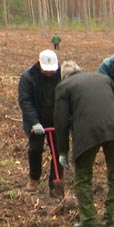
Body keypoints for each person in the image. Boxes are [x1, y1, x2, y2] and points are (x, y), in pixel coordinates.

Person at [53, 61, 114, 227]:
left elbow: (60, 120)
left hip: (86, 134)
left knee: (83, 178)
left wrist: (63, 150)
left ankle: (89, 220)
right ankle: (113, 219)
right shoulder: (104, 79)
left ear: (64, 76)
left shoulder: (63, 86)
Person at [17, 49, 63, 197]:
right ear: (40, 65)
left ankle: (55, 181)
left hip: (56, 119)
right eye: (47, 70)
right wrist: (34, 122)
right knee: (35, 149)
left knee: (59, 151)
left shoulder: (61, 75)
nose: (50, 73)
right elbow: (25, 101)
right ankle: (34, 178)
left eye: (52, 70)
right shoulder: (29, 77)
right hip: (36, 120)